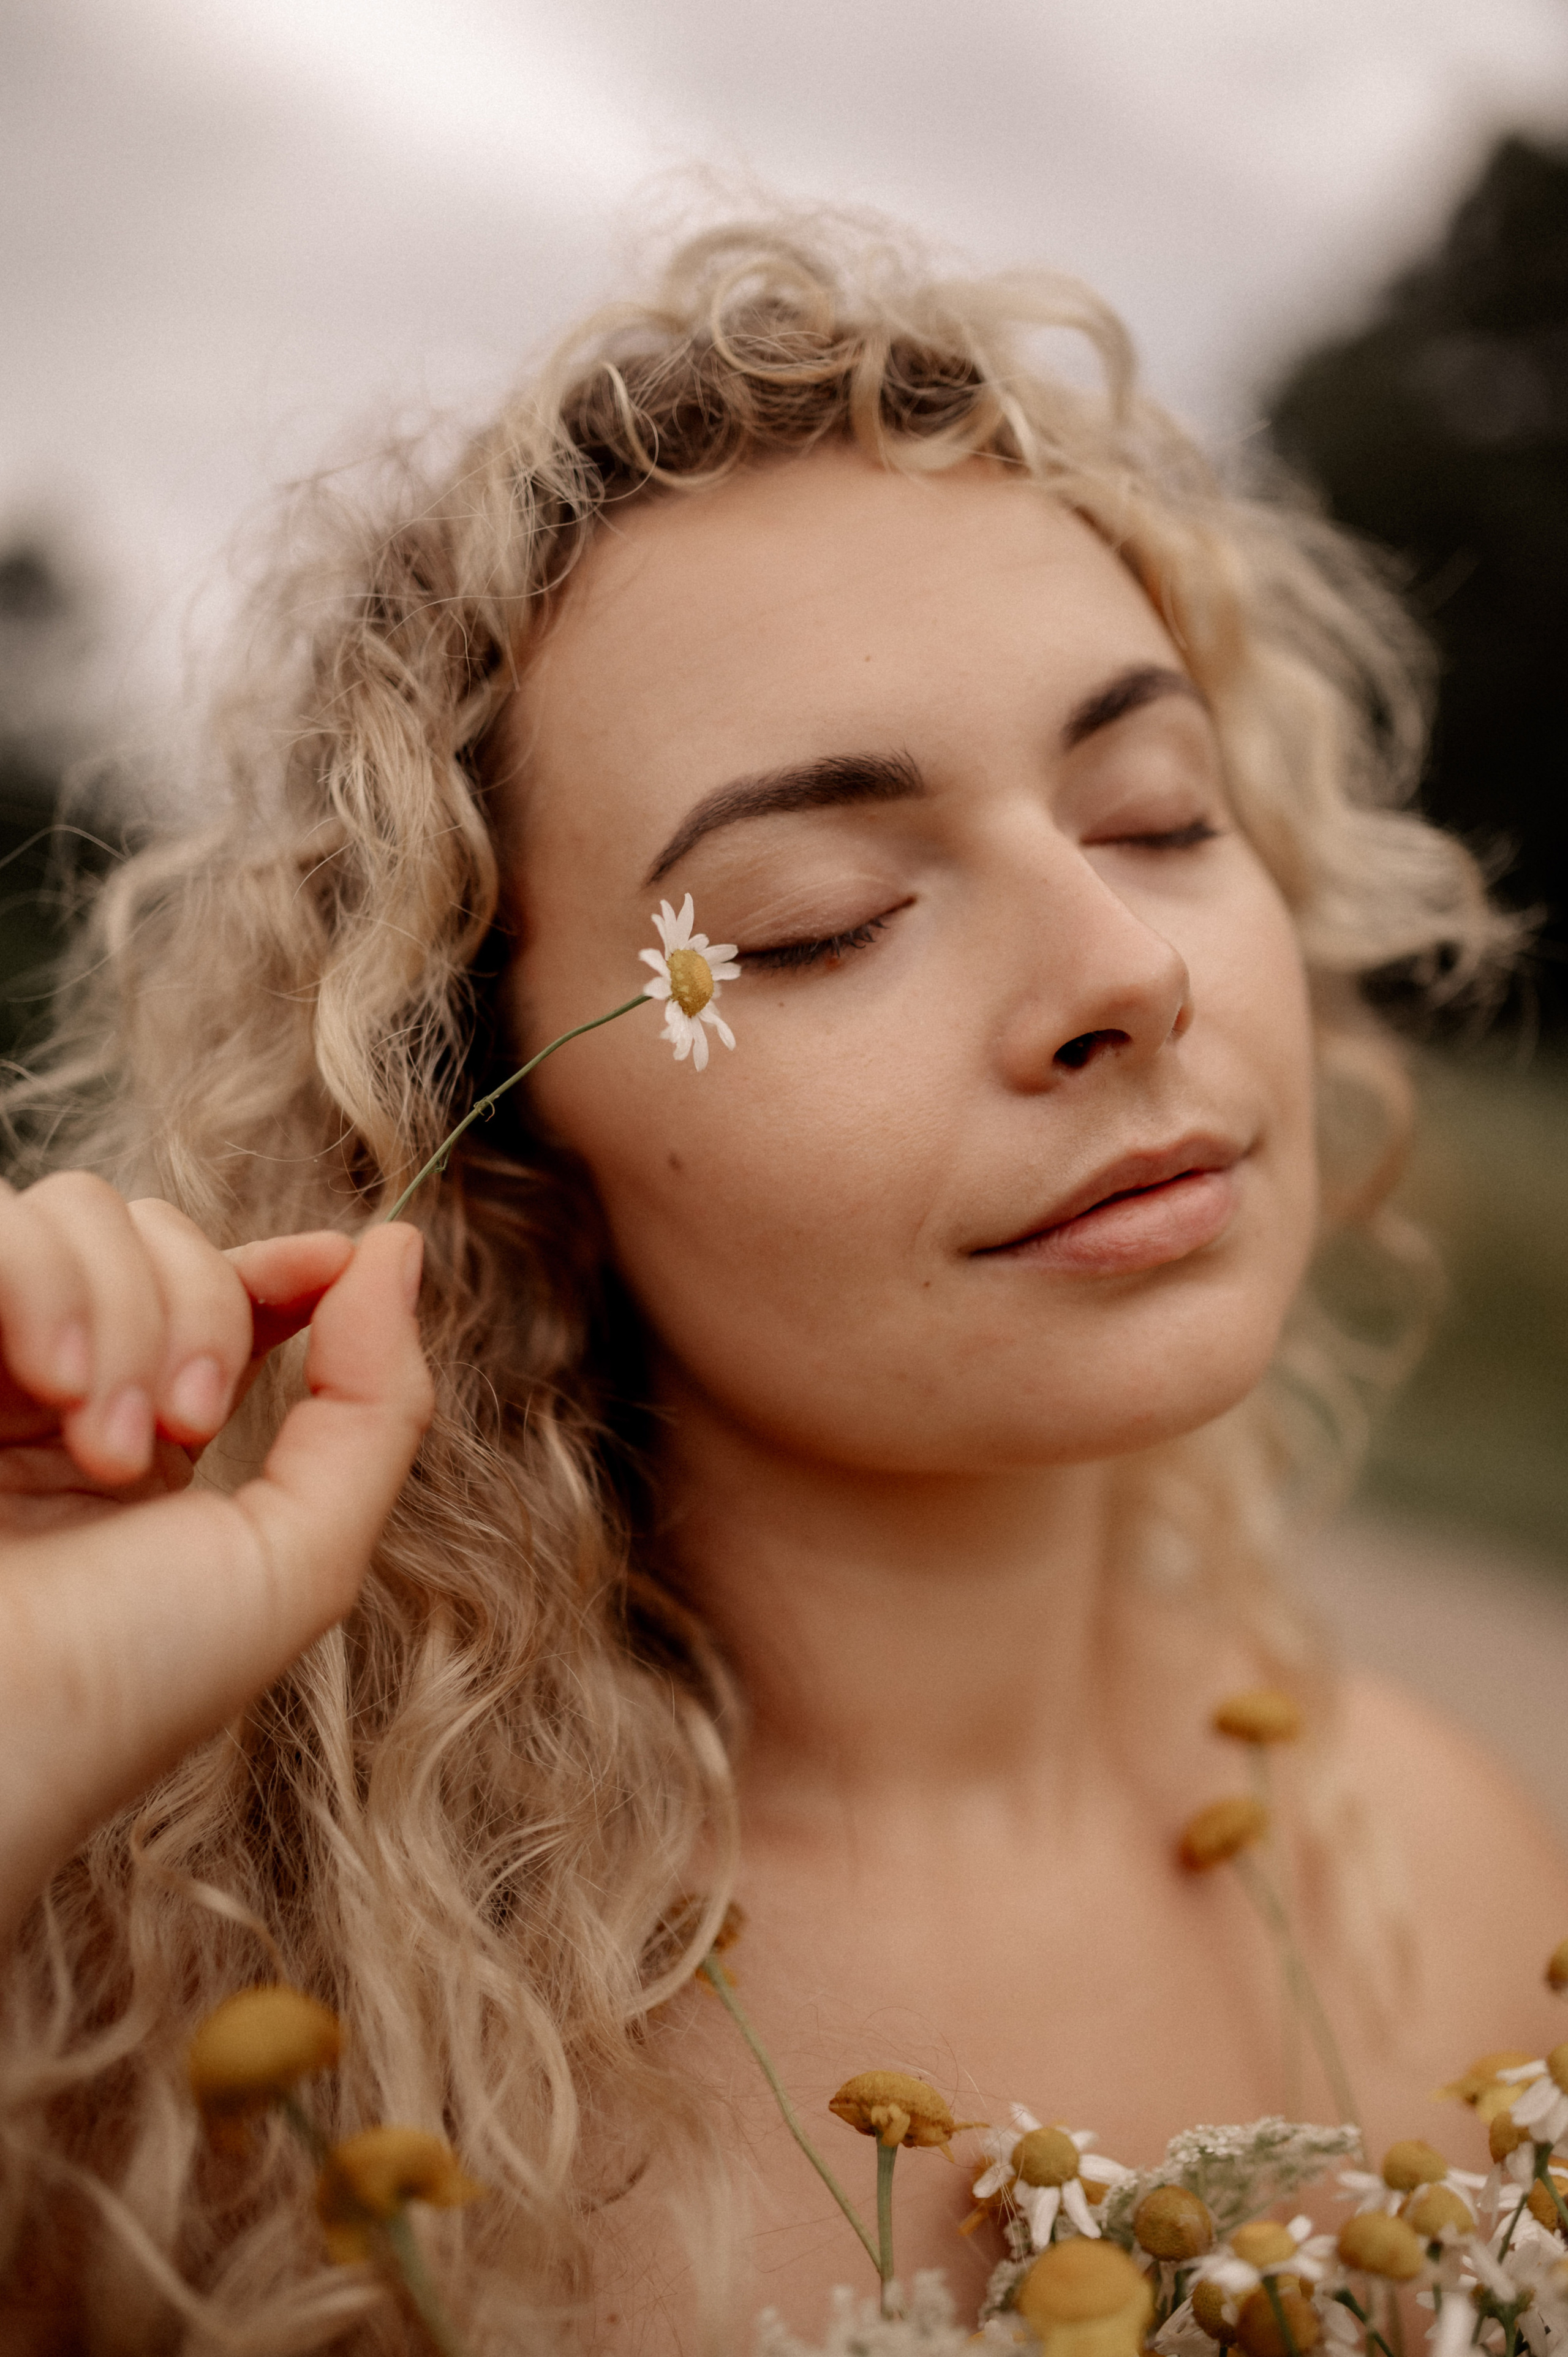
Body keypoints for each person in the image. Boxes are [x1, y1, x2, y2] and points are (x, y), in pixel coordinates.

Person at [1, 218, 1564, 2354]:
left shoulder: (1469, 1889)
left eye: (1156, 810)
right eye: (819, 922)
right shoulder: (190, 2041)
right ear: (506, 1141)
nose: (1125, 972)